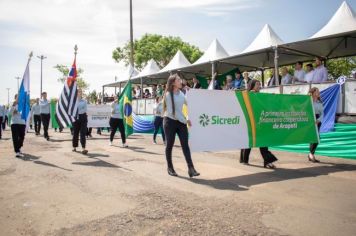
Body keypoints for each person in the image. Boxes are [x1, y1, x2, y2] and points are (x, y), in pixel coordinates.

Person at [163, 74, 200, 177]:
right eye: (179, 80)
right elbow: (172, 112)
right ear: (173, 82)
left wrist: (191, 93)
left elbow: (189, 105)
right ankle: (170, 168)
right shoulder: (167, 95)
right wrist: (185, 120)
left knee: (185, 145)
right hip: (170, 121)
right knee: (169, 145)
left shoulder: (181, 94)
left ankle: (191, 169)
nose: (181, 81)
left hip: (181, 122)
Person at [240, 80, 278, 168]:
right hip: (251, 121)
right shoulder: (249, 95)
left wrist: (272, 97)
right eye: (257, 84)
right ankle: (244, 159)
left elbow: (265, 105)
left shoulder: (260, 95)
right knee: (249, 141)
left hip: (261, 122)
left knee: (263, 142)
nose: (259, 85)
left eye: (260, 84)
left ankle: (267, 162)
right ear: (252, 85)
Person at [308, 87, 324, 163]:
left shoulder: (319, 102)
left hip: (317, 120)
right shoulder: (308, 101)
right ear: (313, 93)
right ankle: (311, 155)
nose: (318, 93)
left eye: (318, 91)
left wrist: (318, 120)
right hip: (310, 120)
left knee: (317, 138)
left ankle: (311, 154)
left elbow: (322, 113)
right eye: (317, 91)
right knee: (313, 137)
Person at [72, 89, 88, 154]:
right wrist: (77, 111)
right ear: (76, 93)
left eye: (81, 92)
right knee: (75, 133)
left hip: (83, 118)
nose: (80, 93)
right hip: (75, 118)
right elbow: (72, 109)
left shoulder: (84, 101)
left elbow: (84, 110)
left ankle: (83, 148)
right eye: (78, 92)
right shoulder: (73, 101)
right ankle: (74, 147)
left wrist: (77, 110)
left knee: (82, 134)